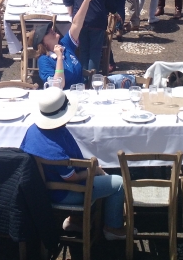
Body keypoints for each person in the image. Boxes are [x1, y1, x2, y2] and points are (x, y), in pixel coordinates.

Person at [19, 87, 129, 241]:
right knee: (119, 183)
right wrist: (95, 171)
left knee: (101, 176)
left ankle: (77, 220)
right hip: (62, 193)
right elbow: (71, 177)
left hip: (40, 187)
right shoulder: (56, 148)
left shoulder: (32, 130)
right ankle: (112, 228)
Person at [30, 0, 99, 88]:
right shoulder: (44, 60)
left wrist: (87, 0)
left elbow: (76, 24)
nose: (51, 30)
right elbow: (57, 86)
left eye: (50, 28)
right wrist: (59, 58)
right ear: (43, 43)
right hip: (64, 96)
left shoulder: (65, 44)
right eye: (47, 32)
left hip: (81, 92)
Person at [63, 0, 115, 72]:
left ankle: (83, 78)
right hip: (97, 20)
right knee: (95, 51)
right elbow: (111, 4)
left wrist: (72, 9)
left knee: (83, 50)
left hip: (80, 20)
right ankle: (92, 78)